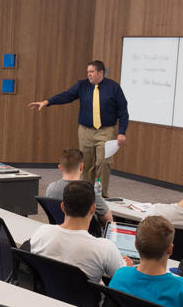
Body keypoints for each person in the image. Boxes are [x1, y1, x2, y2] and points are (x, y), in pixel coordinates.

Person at [29, 60, 129, 198]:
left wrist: (122, 132)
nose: (89, 74)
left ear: (101, 72)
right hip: (85, 131)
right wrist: (46, 102)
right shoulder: (82, 86)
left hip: (106, 131)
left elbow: (123, 110)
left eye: (91, 72)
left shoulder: (113, 87)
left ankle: (101, 195)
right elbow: (66, 96)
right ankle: (87, 194)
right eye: (88, 72)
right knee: (87, 163)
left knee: (103, 162)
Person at [30, 180, 130, 285]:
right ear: (93, 209)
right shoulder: (104, 248)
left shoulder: (41, 233)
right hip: (89, 301)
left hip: (49, 298)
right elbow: (125, 277)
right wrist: (127, 262)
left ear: (63, 207)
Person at [46, 148, 113, 226]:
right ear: (81, 167)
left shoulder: (51, 189)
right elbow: (109, 221)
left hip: (60, 232)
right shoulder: (89, 191)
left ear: (60, 167)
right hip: (88, 235)